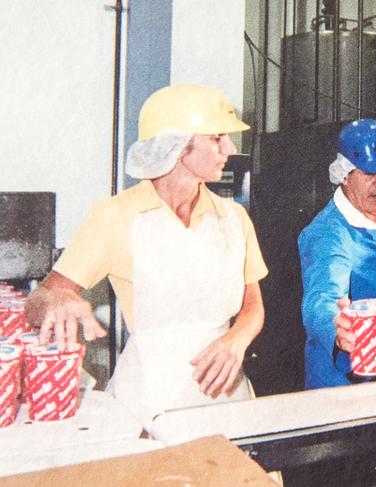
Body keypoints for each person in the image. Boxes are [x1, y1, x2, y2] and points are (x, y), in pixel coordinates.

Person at [25, 84, 268, 428]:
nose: (229, 148)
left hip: (227, 397)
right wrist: (57, 301)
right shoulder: (116, 216)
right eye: (217, 138)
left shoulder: (233, 218)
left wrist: (236, 340)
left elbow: (253, 304)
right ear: (178, 145)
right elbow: (39, 300)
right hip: (150, 401)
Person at [298, 119, 376, 389]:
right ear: (344, 174)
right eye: (369, 172)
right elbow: (322, 296)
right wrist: (335, 329)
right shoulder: (329, 233)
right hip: (341, 379)